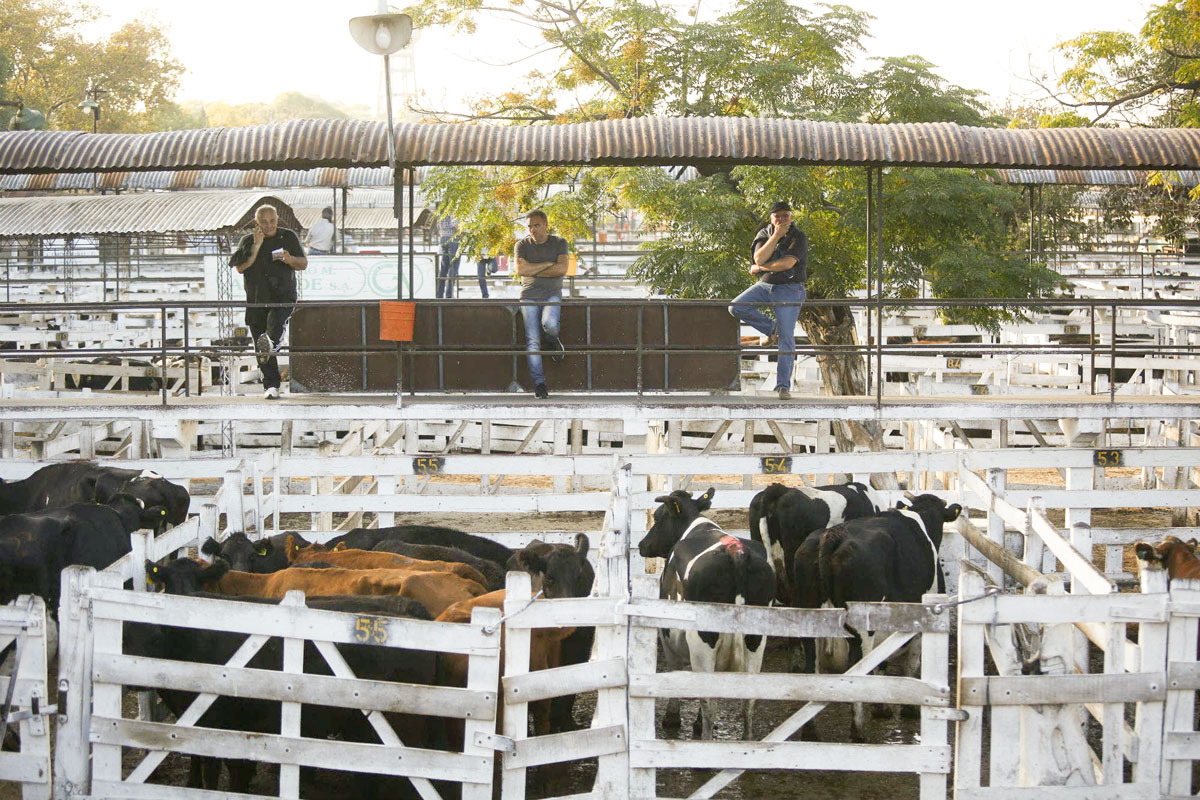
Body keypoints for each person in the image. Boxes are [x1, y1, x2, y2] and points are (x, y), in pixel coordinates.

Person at [728, 201, 808, 400]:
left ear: (791, 217)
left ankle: (783, 386)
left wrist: (761, 269)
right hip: (765, 286)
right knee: (736, 307)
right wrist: (776, 236)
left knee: (787, 338)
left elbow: (787, 264)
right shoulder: (764, 234)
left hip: (790, 288)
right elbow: (759, 258)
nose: (781, 219)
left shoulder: (799, 236)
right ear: (771, 218)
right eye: (777, 216)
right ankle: (773, 329)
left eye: (785, 215)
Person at [229, 204, 307, 399]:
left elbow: (303, 264)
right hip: (256, 299)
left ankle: (272, 342)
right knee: (260, 344)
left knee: (273, 327)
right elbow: (240, 267)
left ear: (277, 219)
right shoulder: (248, 241)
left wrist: (289, 259)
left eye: (272, 221)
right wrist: (256, 245)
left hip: (282, 296)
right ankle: (271, 386)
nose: (269, 225)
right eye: (264, 222)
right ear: (257, 223)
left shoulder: (288, 237)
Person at [515, 209, 569, 399]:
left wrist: (533, 270)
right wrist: (548, 264)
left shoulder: (560, 243)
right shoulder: (521, 245)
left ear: (546, 224)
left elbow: (562, 269)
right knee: (532, 341)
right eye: (529, 226)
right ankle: (540, 384)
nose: (532, 230)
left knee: (551, 325)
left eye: (536, 225)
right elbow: (521, 269)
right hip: (528, 296)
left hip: (552, 294)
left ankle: (553, 340)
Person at [436, 215, 461, 298]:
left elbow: (438, 227)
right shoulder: (453, 210)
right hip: (452, 240)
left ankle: (439, 294)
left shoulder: (441, 212)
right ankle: (449, 294)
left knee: (444, 268)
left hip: (443, 239)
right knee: (453, 267)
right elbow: (455, 226)